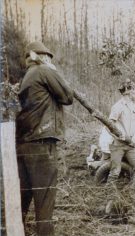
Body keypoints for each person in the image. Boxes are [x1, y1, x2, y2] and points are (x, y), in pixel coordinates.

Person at [16, 41, 73, 236]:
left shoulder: (27, 77)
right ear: (39, 57)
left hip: (24, 144)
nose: (49, 60)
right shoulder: (43, 70)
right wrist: (52, 69)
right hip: (42, 144)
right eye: (48, 57)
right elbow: (67, 96)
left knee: (22, 198)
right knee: (45, 202)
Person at [106, 79, 135, 195]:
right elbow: (109, 126)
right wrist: (118, 136)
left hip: (129, 145)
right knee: (115, 172)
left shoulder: (133, 106)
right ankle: (110, 199)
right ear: (127, 91)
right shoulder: (118, 106)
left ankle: (134, 196)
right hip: (118, 145)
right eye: (133, 89)